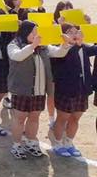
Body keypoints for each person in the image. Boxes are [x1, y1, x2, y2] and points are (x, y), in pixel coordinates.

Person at [7, 21, 55, 159]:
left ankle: (30, 142)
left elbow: (58, 52)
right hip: (22, 90)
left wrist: (66, 44)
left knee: (34, 118)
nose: (36, 34)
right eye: (33, 32)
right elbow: (17, 56)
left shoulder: (43, 47)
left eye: (37, 31)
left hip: (39, 91)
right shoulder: (14, 45)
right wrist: (32, 46)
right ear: (25, 32)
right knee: (19, 118)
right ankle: (16, 145)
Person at [49, 23, 97, 157]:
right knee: (62, 118)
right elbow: (65, 53)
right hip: (66, 89)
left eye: (76, 31)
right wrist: (76, 44)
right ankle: (58, 144)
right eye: (70, 31)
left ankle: (69, 143)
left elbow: (95, 49)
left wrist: (82, 42)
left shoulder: (83, 46)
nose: (75, 33)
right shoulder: (60, 49)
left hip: (82, 89)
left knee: (76, 117)